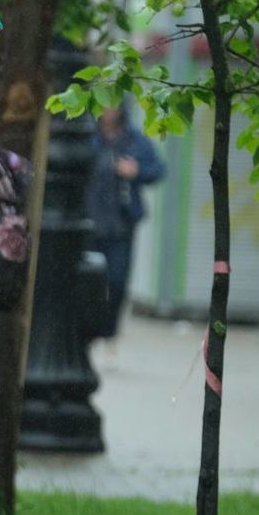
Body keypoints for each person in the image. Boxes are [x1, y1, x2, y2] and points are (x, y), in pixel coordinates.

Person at [85, 102, 164, 343]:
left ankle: (109, 330)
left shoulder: (133, 140)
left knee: (117, 280)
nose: (108, 111)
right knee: (89, 281)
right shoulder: (89, 138)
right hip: (90, 221)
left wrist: (136, 170)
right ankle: (89, 329)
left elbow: (158, 169)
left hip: (121, 223)